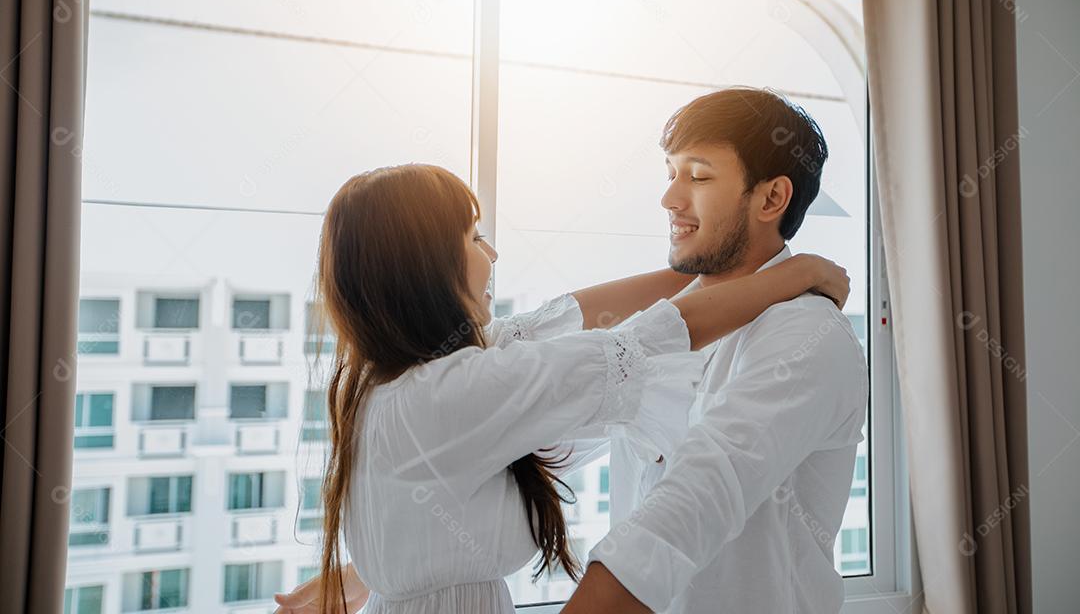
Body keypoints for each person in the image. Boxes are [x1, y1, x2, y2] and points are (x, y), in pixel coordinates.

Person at [272, 162, 849, 614]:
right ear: (421, 266)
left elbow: (564, 316)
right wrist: (796, 273)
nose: (491, 253)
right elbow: (650, 338)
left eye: (696, 176)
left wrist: (714, 266)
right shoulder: (457, 387)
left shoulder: (392, 377)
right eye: (473, 238)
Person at [562, 87, 870, 614]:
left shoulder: (805, 337)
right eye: (671, 174)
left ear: (771, 198)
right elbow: (558, 437)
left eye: (699, 176)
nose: (670, 199)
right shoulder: (659, 332)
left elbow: (696, 500)